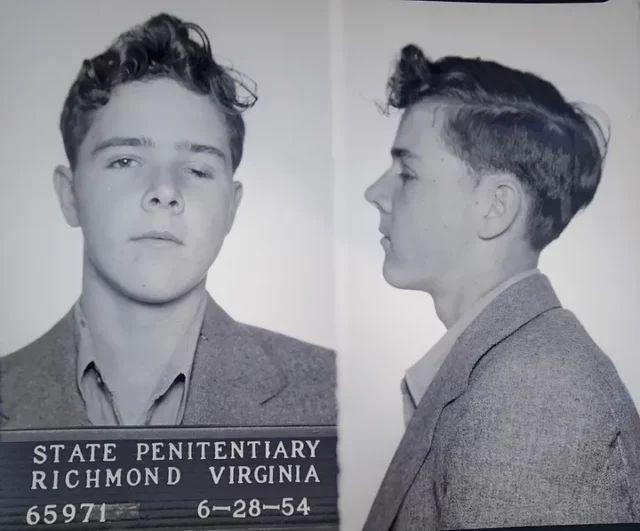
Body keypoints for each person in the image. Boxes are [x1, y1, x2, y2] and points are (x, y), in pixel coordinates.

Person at [0, 13, 335, 430]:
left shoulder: (332, 397)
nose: (164, 190)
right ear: (70, 195)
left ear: (232, 208)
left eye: (196, 169)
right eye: (124, 160)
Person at [362, 44, 640, 530]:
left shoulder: (533, 397)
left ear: (496, 206)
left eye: (407, 173)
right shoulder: (509, 368)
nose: (375, 194)